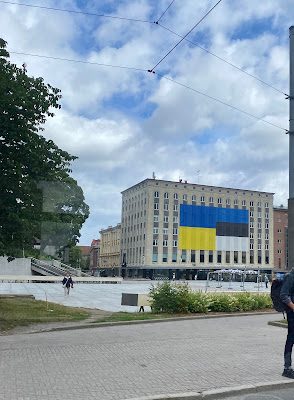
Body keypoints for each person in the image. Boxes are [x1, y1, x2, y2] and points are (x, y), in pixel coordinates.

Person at [280, 269, 294, 378]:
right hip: (292, 314)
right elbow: (283, 295)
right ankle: (287, 368)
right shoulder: (290, 277)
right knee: (291, 339)